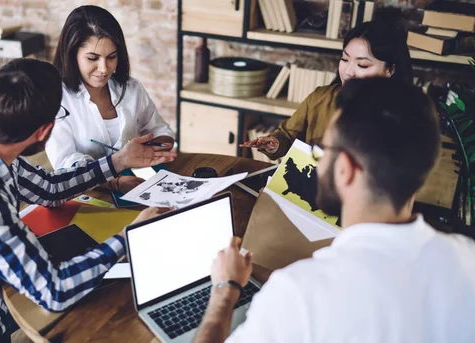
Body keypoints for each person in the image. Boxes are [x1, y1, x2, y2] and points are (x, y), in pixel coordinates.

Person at [0, 58, 176, 343]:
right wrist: (131, 234)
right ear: (42, 132)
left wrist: (117, 161)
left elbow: (48, 189)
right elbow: (55, 290)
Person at [193, 78, 475, 343]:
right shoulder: (466, 257)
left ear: (346, 170)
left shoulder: (298, 295)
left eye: (324, 149)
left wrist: (225, 290)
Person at [46, 5, 175, 193]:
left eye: (111, 57)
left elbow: (159, 130)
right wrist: (112, 182)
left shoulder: (131, 88)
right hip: (87, 195)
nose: (104, 69)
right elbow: (65, 167)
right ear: (72, 54)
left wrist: (153, 148)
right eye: (92, 58)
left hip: (139, 185)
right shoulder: (57, 100)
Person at [240, 21, 413, 160]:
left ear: (390, 69)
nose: (348, 71)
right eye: (345, 59)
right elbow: (287, 134)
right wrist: (275, 143)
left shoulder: (404, 117)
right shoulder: (320, 98)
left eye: (363, 65)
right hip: (306, 190)